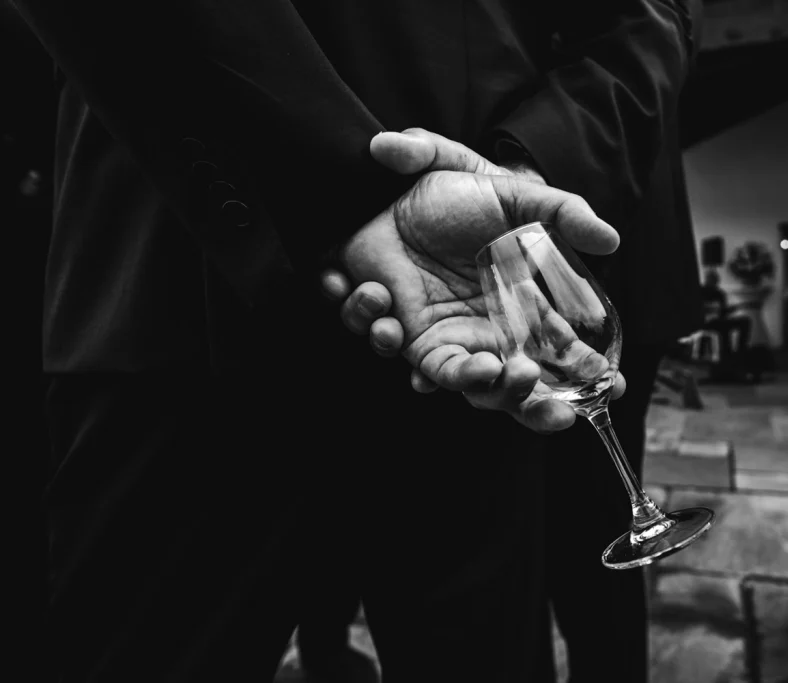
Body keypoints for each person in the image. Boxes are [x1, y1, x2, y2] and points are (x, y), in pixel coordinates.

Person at [14, 2, 698, 683]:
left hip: (469, 331)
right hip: (183, 301)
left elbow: (639, 21)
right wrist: (344, 189)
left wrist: (521, 166)